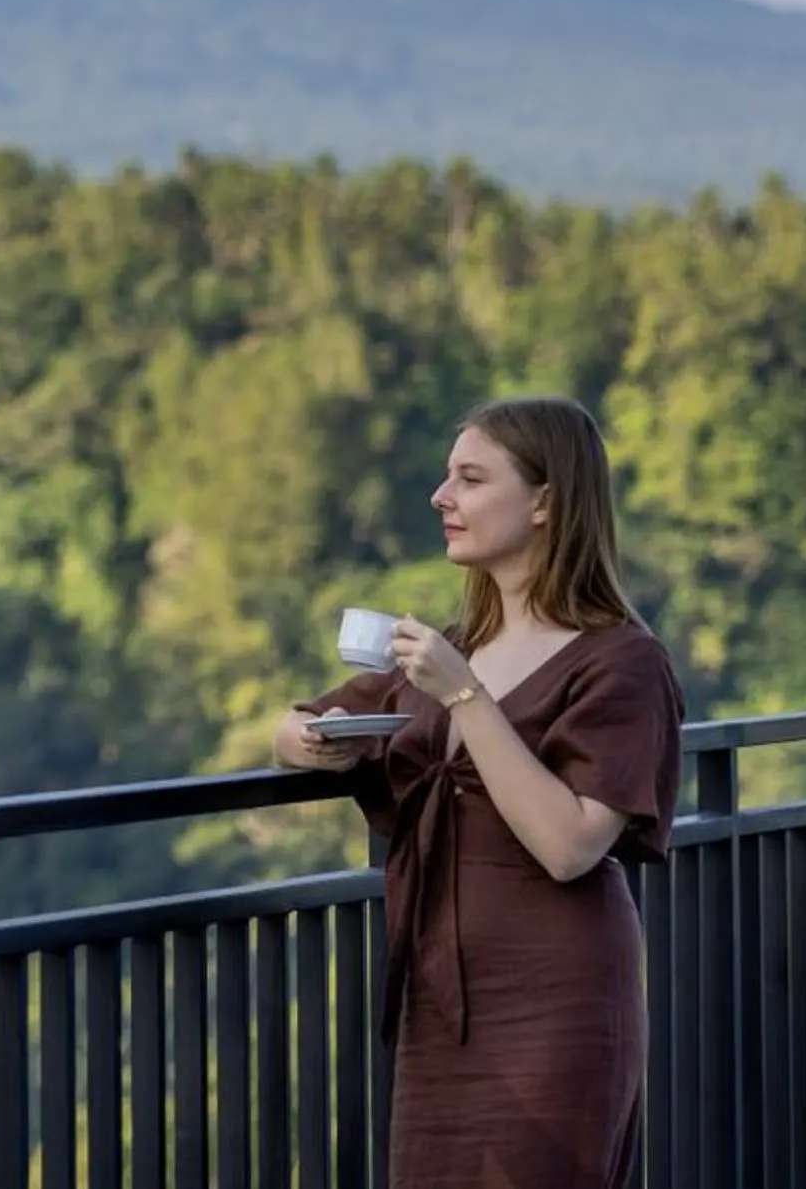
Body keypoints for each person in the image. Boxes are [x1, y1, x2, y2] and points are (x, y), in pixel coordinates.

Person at [271, 395, 684, 1189]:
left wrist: (467, 699)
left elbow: (571, 845)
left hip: (555, 1001)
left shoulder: (620, 662)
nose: (441, 497)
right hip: (440, 1000)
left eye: (469, 478)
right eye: (445, 477)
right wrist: (310, 743)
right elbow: (295, 726)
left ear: (543, 502)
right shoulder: (450, 651)